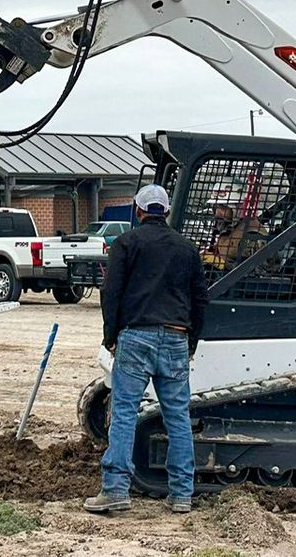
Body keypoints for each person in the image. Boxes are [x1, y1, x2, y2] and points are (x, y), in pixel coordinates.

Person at [83, 184, 209, 515]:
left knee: (124, 412)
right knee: (178, 416)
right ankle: (182, 494)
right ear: (165, 211)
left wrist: (110, 337)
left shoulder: (126, 243)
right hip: (176, 337)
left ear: (138, 211)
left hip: (135, 337)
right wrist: (191, 340)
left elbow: (110, 293)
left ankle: (115, 491)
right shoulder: (186, 249)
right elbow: (200, 299)